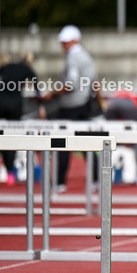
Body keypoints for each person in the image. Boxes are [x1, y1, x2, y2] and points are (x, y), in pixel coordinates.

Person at [42, 26, 100, 192]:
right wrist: (99, 101)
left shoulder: (73, 58)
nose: (63, 46)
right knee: (86, 142)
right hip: (85, 103)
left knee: (62, 143)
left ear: (74, 40)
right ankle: (96, 178)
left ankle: (60, 181)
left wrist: (52, 94)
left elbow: (70, 83)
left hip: (71, 106)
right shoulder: (87, 57)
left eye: (65, 42)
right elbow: (95, 82)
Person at [0, 53, 41, 184]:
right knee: (12, 137)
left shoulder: (7, 66)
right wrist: (39, 102)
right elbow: (36, 86)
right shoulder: (26, 69)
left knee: (1, 136)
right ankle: (10, 170)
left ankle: (7, 167)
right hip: (14, 105)